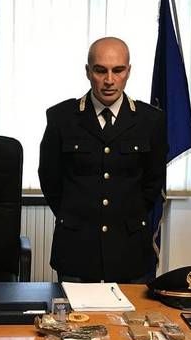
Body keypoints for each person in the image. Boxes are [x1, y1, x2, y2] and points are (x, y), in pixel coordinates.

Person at [38, 37, 167, 282]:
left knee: (131, 309)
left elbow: (153, 182)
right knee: (75, 309)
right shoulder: (62, 118)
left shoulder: (151, 121)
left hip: (130, 250)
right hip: (77, 248)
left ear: (128, 71)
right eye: (100, 70)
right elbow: (50, 178)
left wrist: (126, 215)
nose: (109, 80)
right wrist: (75, 216)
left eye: (118, 70)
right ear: (88, 72)